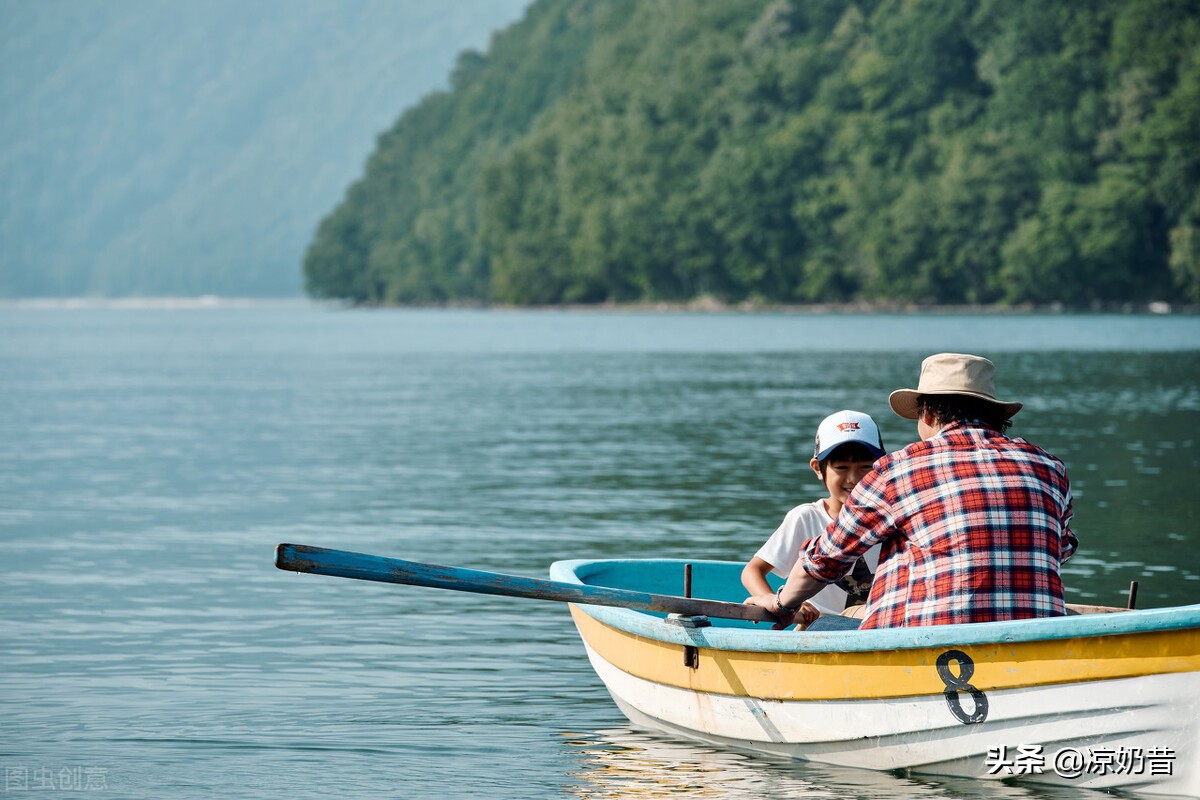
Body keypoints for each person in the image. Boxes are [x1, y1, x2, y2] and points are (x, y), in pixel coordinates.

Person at [750, 353, 1078, 630]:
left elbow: (825, 560)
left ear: (929, 414)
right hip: (1037, 636)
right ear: (994, 416)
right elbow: (1061, 547)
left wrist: (780, 603)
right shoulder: (1049, 467)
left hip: (926, 642)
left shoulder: (900, 470)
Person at [741, 410, 886, 630]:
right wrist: (774, 601)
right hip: (818, 630)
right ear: (818, 468)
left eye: (865, 467)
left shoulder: (890, 517)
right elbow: (752, 571)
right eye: (842, 468)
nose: (854, 479)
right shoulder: (805, 517)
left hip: (877, 627)